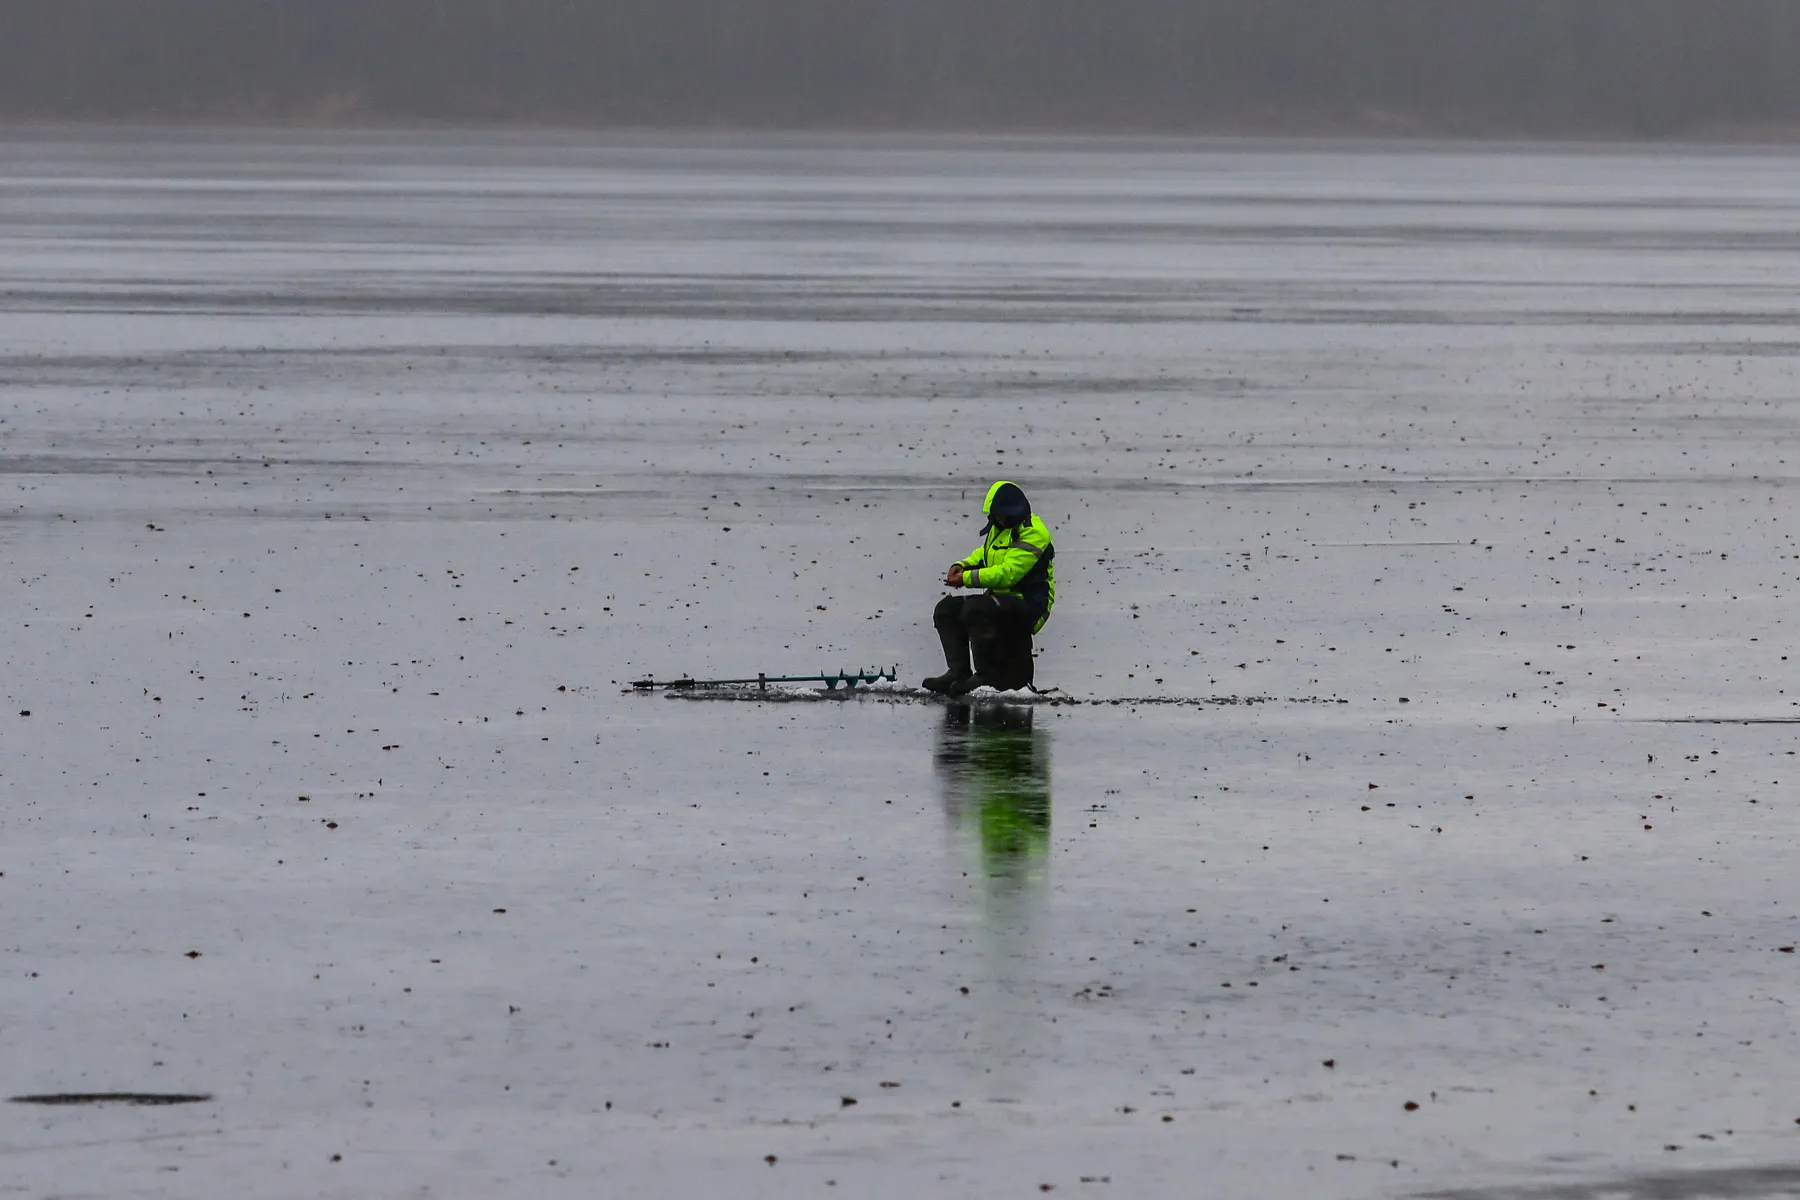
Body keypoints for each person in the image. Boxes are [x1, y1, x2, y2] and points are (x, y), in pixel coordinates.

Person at [923, 480, 1056, 695]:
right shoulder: (999, 529)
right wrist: (962, 565)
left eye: (1000, 516)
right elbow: (984, 555)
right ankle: (958, 672)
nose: (997, 520)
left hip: (1030, 604)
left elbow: (1007, 574)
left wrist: (966, 578)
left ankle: (986, 675)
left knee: (977, 608)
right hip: (1001, 602)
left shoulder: (1034, 533)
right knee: (947, 609)